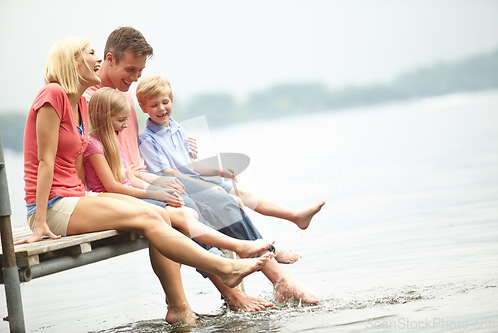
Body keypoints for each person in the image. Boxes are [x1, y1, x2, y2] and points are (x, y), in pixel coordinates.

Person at [16, 36, 274, 325]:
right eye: (90, 53)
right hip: (54, 206)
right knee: (152, 219)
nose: (98, 59)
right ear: (71, 60)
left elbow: (77, 171)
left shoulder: (77, 106)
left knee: (160, 214)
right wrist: (39, 223)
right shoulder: (52, 94)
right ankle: (225, 266)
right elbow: (44, 162)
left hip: (75, 199)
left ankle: (182, 304)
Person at [89, 26, 320, 307]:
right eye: (131, 70)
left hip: (144, 176)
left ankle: (278, 280)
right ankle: (237, 289)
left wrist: (184, 151)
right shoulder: (91, 97)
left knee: (224, 198)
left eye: (140, 71)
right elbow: (97, 155)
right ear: (109, 60)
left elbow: (133, 146)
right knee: (190, 209)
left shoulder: (124, 92)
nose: (136, 78)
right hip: (133, 183)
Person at [84, 87, 275, 260]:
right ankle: (225, 249)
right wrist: (155, 193)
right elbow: (113, 186)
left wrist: (159, 188)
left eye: (126, 119)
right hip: (113, 199)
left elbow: (131, 178)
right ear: (103, 118)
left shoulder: (114, 141)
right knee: (183, 214)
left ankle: (227, 249)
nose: (125, 126)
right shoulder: (94, 146)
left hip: (131, 194)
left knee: (189, 203)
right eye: (121, 120)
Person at [136, 75, 325, 231]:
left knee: (241, 192)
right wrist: (204, 185)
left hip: (195, 182)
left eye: (165, 102)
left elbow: (191, 167)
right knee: (232, 200)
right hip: (182, 189)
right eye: (154, 105)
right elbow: (168, 173)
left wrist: (218, 171)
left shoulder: (178, 129)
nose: (161, 108)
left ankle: (295, 217)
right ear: (144, 108)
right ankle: (249, 248)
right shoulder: (148, 140)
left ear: (172, 101)